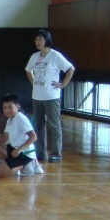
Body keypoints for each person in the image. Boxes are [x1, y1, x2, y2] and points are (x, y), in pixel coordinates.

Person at [25, 29, 74, 163]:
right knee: (39, 126)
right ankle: (41, 153)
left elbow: (70, 69)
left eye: (41, 39)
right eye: (36, 39)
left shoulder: (55, 56)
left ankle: (56, 154)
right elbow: (28, 70)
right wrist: (34, 82)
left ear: (47, 40)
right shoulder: (34, 56)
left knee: (54, 125)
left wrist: (63, 84)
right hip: (37, 96)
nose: (38, 42)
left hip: (51, 97)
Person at [0, 94, 41, 177]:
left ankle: (24, 165)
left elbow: (33, 137)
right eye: (5, 108)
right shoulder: (9, 120)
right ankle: (10, 164)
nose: (7, 110)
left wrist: (19, 149)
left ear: (18, 107)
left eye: (10, 107)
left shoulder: (21, 118)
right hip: (14, 150)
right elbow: (3, 138)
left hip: (24, 153)